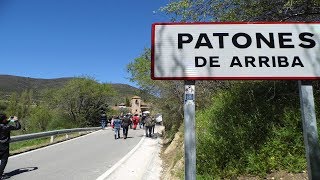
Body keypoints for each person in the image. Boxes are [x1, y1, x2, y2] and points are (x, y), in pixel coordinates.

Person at [0, 114, 21, 178]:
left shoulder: (3, 125)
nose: (6, 119)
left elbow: (3, 123)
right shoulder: (7, 127)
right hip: (4, 145)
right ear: (3, 120)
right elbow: (18, 127)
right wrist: (16, 121)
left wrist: (8, 120)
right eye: (5, 118)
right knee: (4, 160)